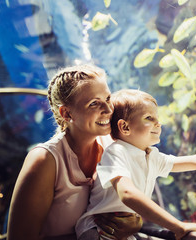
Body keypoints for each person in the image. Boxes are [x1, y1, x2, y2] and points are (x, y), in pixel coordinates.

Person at [75, 89, 196, 240]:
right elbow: (128, 194)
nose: (158, 123)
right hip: (98, 231)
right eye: (149, 118)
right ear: (125, 127)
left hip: (122, 232)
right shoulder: (117, 152)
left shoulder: (151, 156)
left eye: (157, 117)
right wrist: (176, 226)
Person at [7, 64, 115, 240]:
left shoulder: (113, 147)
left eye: (108, 98)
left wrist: (133, 223)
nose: (108, 110)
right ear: (66, 113)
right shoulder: (45, 160)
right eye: (94, 103)